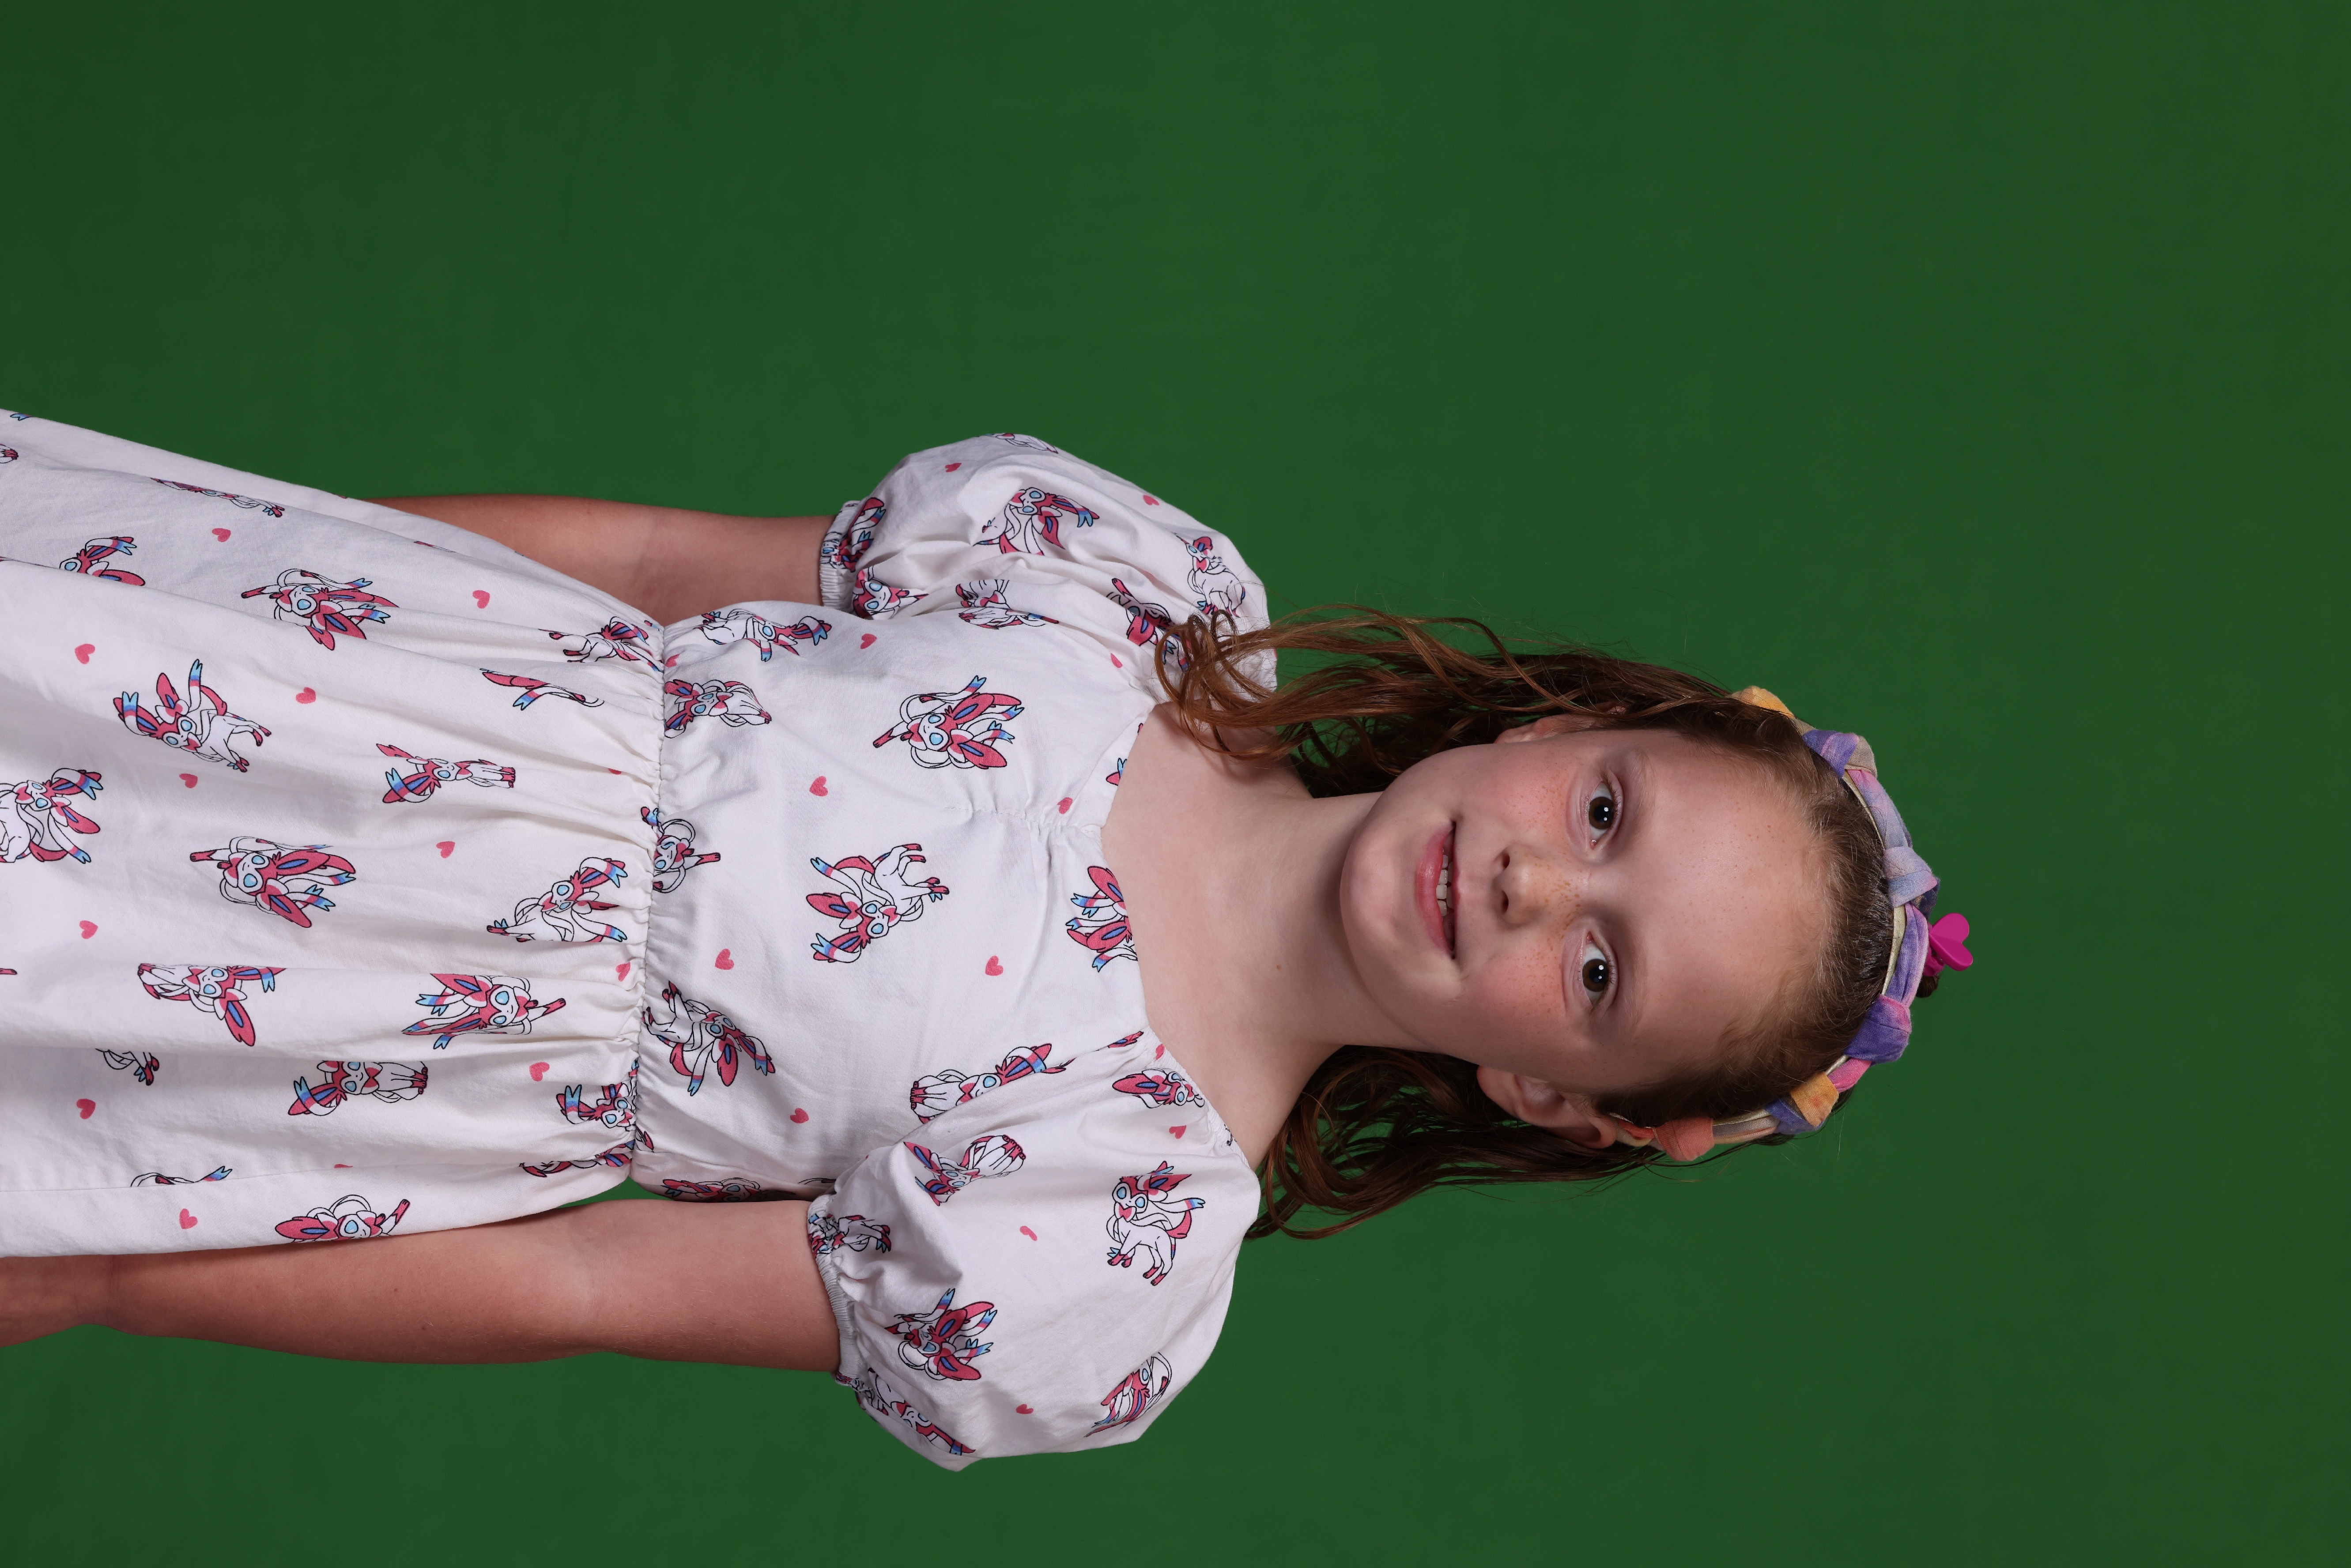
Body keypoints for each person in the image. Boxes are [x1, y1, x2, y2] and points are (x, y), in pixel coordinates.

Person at [0, 415, 1969, 1465]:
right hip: (271, 675)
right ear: (1567, 722)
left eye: (1601, 973)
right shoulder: (1137, 598)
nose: (1540, 884)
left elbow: (581, 1280)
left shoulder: (1122, 1231)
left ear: (1549, 1092)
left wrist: (101, 1282)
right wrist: (232, 551)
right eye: (1606, 813)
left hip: (304, 1037)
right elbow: (647, 564)